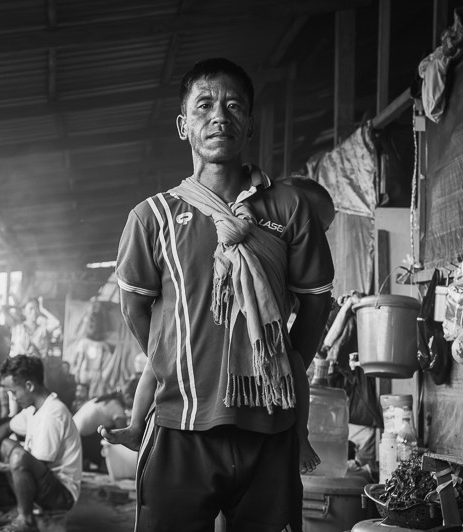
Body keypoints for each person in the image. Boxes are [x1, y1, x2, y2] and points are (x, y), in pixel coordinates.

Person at [102, 58, 334, 531]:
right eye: (204, 106)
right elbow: (135, 307)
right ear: (183, 125)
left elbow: (314, 301)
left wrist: (285, 366)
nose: (219, 117)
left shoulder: (288, 207)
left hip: (270, 425)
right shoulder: (152, 217)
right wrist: (178, 364)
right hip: (179, 425)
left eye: (233, 107)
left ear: (249, 123)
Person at [0, 356, 82, 532]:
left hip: (62, 495)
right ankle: (22, 507)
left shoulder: (52, 414)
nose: (13, 398)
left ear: (29, 386)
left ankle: (26, 517)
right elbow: (7, 427)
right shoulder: (34, 409)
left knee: (18, 456)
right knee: (6, 445)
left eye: (14, 392)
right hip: (46, 482)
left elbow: (35, 466)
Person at [73, 378, 138, 470]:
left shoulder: (107, 400)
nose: (135, 405)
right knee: (113, 435)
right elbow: (124, 436)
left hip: (74, 436)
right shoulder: (117, 408)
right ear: (127, 397)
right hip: (79, 441)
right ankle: (104, 466)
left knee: (107, 430)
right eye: (136, 401)